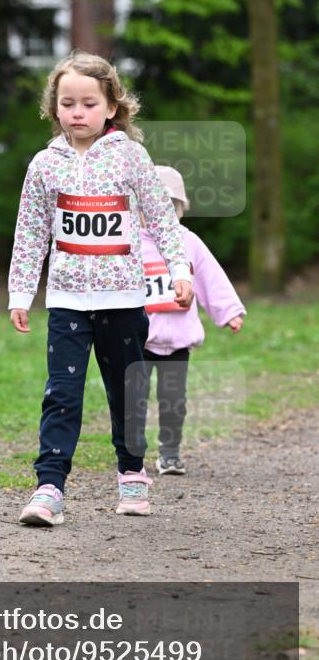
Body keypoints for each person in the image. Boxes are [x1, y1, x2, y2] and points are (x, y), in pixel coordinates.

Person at [8, 50, 194, 525]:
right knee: (62, 395)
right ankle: (49, 487)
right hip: (68, 302)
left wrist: (180, 271)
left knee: (125, 393)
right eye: (67, 102)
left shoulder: (131, 158)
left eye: (89, 103)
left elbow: (162, 221)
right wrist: (20, 294)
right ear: (54, 108)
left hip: (124, 301)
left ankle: (132, 472)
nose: (77, 112)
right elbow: (30, 234)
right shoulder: (44, 166)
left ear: (111, 106)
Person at [140, 166, 246, 475]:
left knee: (174, 400)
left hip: (178, 341)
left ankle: (170, 452)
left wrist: (229, 313)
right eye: (151, 206)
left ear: (179, 210)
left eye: (168, 207)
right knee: (132, 400)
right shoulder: (129, 244)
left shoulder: (189, 243)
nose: (159, 214)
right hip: (137, 339)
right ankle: (131, 454)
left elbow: (212, 279)